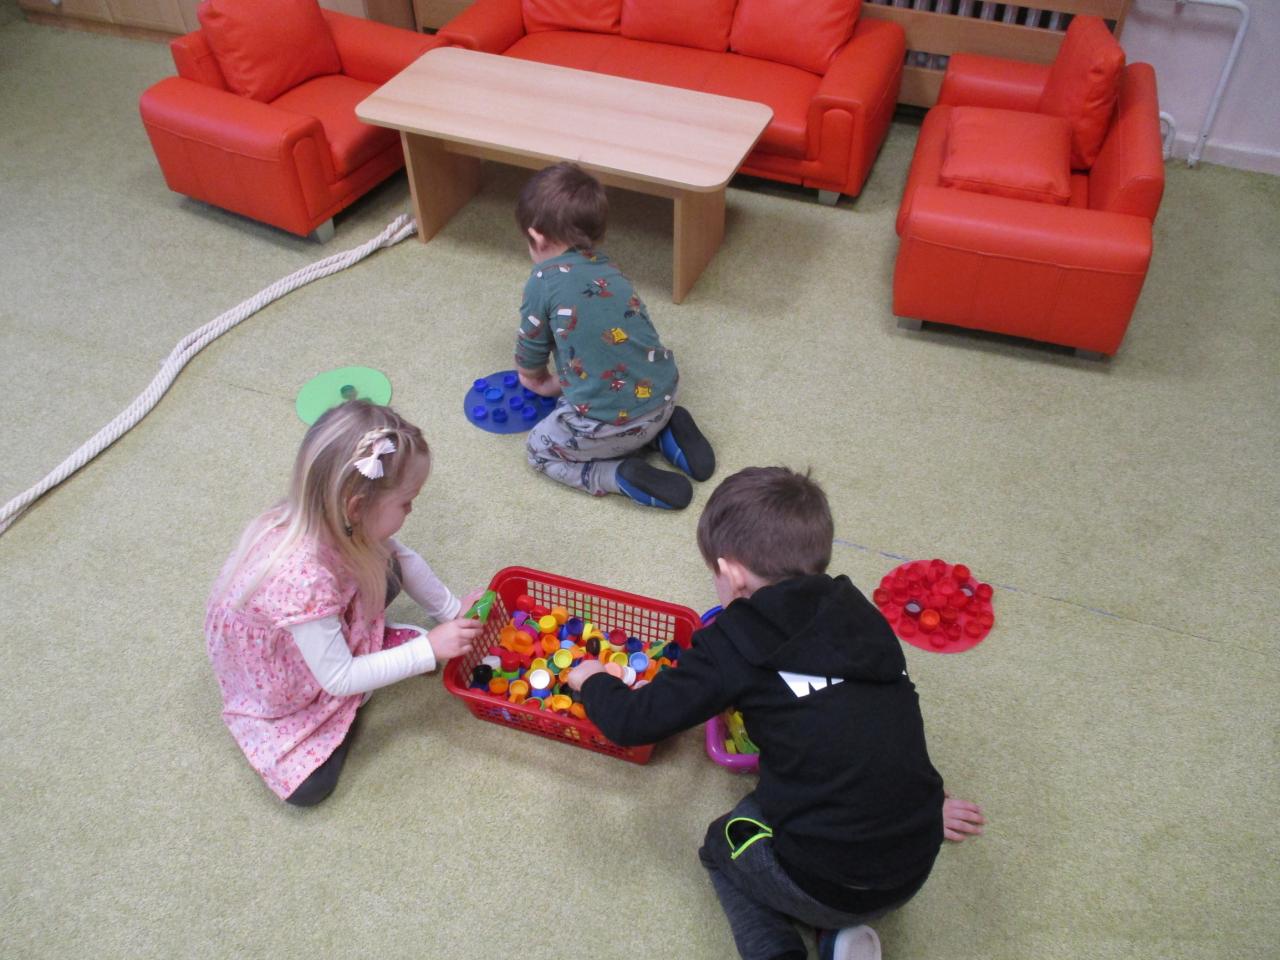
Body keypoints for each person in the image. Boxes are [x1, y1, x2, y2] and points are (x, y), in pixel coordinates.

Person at [568, 467, 985, 960]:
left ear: (732, 574)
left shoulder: (732, 645)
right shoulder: (860, 613)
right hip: (914, 856)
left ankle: (782, 948)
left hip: (828, 881)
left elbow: (631, 722)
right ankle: (838, 939)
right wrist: (927, 806)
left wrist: (592, 679)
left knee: (724, 843)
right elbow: (884, 716)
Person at [205, 400, 484, 806]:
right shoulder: (301, 576)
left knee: (386, 566)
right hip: (284, 677)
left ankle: (369, 649)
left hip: (316, 628)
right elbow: (337, 679)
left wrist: (452, 611)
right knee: (309, 788)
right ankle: (366, 662)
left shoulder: (335, 518)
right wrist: (427, 649)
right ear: (356, 506)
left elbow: (402, 560)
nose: (412, 509)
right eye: (406, 501)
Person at [512, 161, 714, 510]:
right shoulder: (608, 268)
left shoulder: (542, 281)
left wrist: (540, 381)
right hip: (663, 395)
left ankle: (615, 474)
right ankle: (665, 432)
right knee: (624, 400)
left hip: (610, 425)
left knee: (538, 450)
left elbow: (530, 355)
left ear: (537, 236)